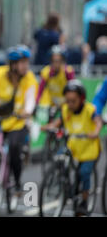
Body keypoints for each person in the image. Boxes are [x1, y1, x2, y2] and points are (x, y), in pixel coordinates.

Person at [0, 45, 38, 196]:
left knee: (14, 147)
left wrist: (28, 110)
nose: (26, 66)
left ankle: (18, 183)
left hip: (18, 121)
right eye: (22, 62)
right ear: (13, 64)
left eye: (27, 62)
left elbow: (31, 98)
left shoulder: (29, 78)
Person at [42, 80, 102, 216]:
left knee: (84, 173)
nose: (69, 104)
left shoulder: (89, 109)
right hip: (73, 147)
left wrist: (96, 131)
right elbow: (59, 122)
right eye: (67, 101)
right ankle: (63, 183)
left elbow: (98, 121)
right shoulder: (65, 109)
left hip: (89, 149)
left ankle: (84, 202)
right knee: (59, 158)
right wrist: (49, 127)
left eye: (73, 101)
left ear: (81, 99)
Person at [36, 45, 75, 120]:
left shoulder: (68, 71)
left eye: (58, 61)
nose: (55, 64)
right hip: (52, 104)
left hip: (66, 103)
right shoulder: (46, 72)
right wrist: (37, 103)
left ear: (62, 61)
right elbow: (40, 90)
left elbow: (73, 90)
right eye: (53, 61)